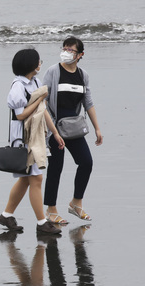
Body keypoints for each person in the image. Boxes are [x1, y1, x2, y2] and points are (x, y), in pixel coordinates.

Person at [0, 48, 63, 235]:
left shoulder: (35, 82)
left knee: (27, 180)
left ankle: (7, 214)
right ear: (31, 65)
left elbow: (42, 110)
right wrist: (40, 99)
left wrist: (55, 133)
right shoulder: (18, 86)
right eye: (38, 61)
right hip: (23, 137)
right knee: (36, 178)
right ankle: (42, 222)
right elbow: (20, 115)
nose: (40, 64)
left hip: (36, 136)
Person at [43, 37, 103, 224]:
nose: (66, 52)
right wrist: (53, 130)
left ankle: (76, 203)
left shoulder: (83, 75)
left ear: (80, 55)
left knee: (86, 162)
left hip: (74, 127)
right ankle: (51, 210)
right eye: (64, 48)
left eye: (71, 50)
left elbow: (88, 102)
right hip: (55, 127)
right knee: (56, 168)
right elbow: (42, 102)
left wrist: (97, 128)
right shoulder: (53, 71)